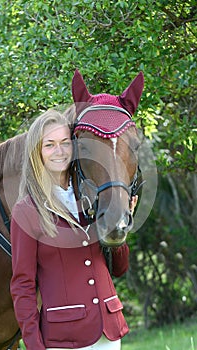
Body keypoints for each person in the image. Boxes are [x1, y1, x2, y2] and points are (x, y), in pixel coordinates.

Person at [10, 109, 138, 350]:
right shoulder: (26, 211)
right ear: (37, 152)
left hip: (108, 334)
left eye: (65, 143)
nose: (59, 152)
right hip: (64, 339)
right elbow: (22, 286)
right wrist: (34, 345)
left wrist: (120, 227)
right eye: (49, 145)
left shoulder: (95, 196)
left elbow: (120, 269)